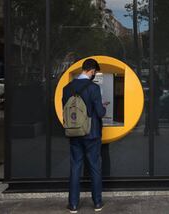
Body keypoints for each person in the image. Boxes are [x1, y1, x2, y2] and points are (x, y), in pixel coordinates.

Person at [62, 58, 107, 213]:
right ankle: (97, 203)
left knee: (75, 167)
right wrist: (103, 107)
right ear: (92, 71)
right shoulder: (94, 88)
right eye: (95, 72)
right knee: (94, 167)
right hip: (91, 134)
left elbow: (67, 110)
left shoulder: (67, 87)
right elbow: (100, 113)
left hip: (74, 133)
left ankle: (73, 204)